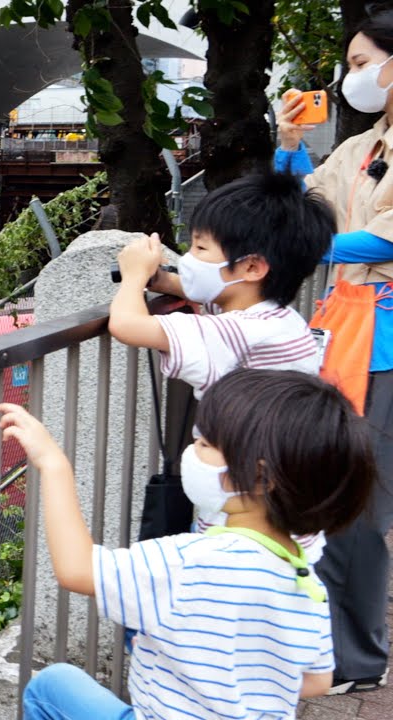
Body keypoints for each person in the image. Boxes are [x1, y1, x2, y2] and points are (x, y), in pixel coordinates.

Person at [5, 369, 375, 719]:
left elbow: (77, 569)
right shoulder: (304, 580)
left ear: (260, 475)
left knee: (51, 685)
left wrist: (53, 464)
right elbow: (317, 680)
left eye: (205, 443)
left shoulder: (189, 562)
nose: (192, 450)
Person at [108, 173, 335, 561]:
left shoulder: (236, 334)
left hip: (243, 511)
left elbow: (126, 325)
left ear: (251, 268)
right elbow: (210, 291)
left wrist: (132, 277)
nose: (190, 258)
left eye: (200, 248)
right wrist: (163, 280)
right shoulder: (274, 319)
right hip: (283, 505)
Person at [276, 9, 393, 694]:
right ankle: (336, 652)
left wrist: (311, 245)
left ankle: (358, 659)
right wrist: (290, 145)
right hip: (348, 327)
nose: (350, 78)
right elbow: (306, 199)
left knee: (361, 499)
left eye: (358, 64)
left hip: (384, 336)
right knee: (339, 487)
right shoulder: (364, 145)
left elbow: (383, 241)